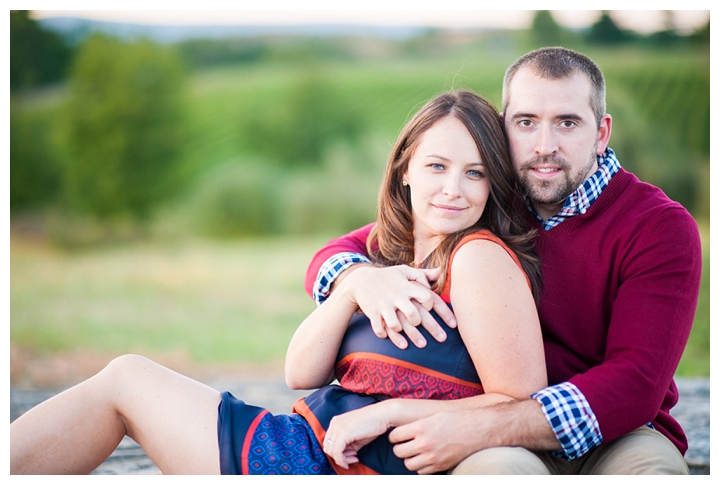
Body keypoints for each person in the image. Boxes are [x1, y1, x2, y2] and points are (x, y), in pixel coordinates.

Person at [11, 90, 547, 475]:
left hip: (350, 466)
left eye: (475, 173)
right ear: (405, 170)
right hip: (304, 446)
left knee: (125, 382)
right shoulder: (389, 256)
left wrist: (392, 411)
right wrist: (354, 287)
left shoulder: (477, 257)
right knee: (125, 378)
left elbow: (522, 402)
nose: (453, 188)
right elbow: (300, 371)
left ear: (492, 184)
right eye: (437, 166)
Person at [305, 47, 703, 475]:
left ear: (602, 132)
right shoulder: (485, 198)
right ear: (504, 128)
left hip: (616, 434)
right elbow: (341, 249)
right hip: (493, 428)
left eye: (567, 123)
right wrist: (359, 278)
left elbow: (635, 384)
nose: (544, 146)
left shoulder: (658, 227)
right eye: (526, 123)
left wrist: (479, 427)